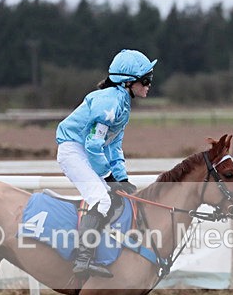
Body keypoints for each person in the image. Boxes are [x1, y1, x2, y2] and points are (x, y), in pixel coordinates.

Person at [56, 49, 157, 278]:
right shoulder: (109, 102)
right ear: (128, 82)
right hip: (74, 150)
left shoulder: (121, 103)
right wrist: (109, 177)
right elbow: (93, 146)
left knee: (114, 195)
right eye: (146, 80)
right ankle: (83, 260)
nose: (150, 85)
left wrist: (121, 178)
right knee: (101, 199)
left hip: (85, 150)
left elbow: (113, 146)